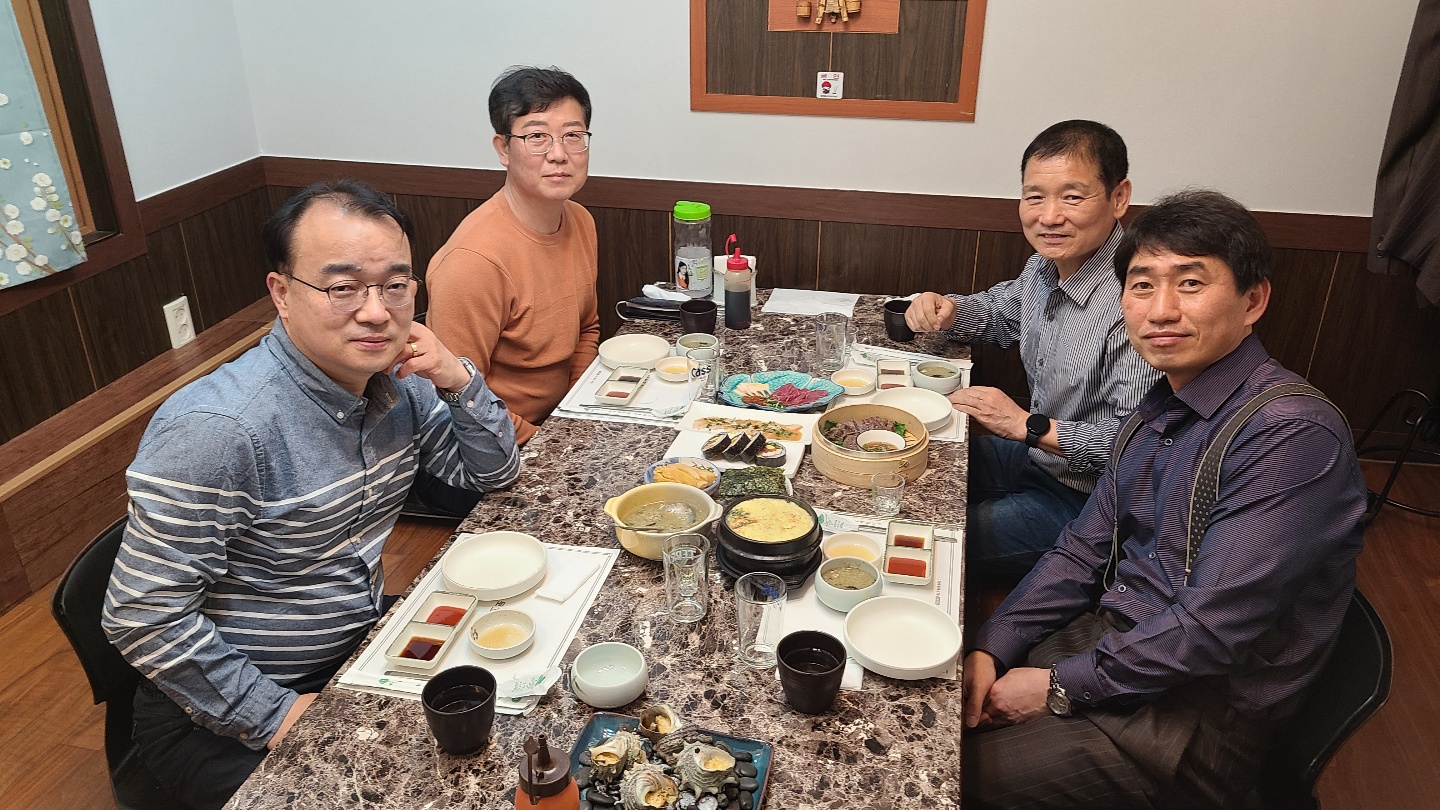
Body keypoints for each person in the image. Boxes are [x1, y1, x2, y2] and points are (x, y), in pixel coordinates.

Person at [101, 180, 521, 810]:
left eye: (396, 285)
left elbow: (491, 476)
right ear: (282, 293)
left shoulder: (399, 381)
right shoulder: (219, 430)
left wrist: (457, 377)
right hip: (221, 709)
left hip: (352, 644)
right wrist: (273, 713)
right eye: (342, 287)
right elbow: (141, 614)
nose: (376, 311)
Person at [961, 190, 1367, 809]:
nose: (1161, 310)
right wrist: (993, 644)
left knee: (940, 780)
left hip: (1191, 722)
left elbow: (1209, 631)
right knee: (931, 702)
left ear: (1253, 300)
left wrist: (1056, 685)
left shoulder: (1290, 433)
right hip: (1115, 645)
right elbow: (1081, 550)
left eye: (1191, 283)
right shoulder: (1161, 405)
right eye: (1143, 285)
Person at [905, 120, 1161, 578]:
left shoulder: (1139, 299)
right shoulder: (1044, 267)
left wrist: (1025, 425)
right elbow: (1002, 313)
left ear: (1119, 197)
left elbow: (1139, 447)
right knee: (898, 462)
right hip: (1037, 460)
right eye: (1034, 196)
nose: (1049, 216)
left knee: (924, 537)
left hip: (1094, 504)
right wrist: (947, 309)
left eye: (1072, 197)